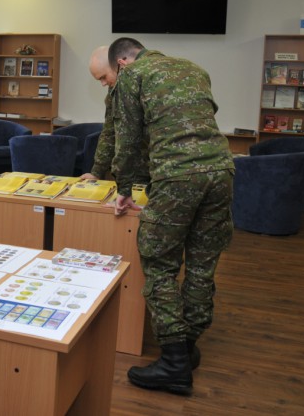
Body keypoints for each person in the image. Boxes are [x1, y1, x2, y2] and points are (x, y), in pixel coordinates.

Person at [108, 37, 234, 395]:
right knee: (201, 262)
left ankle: (174, 363)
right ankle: (189, 345)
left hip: (178, 177)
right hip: (222, 173)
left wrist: (124, 189)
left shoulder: (132, 77)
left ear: (121, 62)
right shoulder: (195, 69)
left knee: (159, 262)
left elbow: (128, 140)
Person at [82, 46, 149, 184]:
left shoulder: (149, 83)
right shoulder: (115, 89)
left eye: (103, 77)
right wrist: (96, 172)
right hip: (134, 170)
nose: (103, 83)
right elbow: (109, 131)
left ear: (117, 65)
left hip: (161, 167)